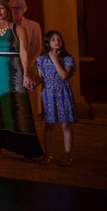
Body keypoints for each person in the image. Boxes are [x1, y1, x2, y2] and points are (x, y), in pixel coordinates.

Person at [0, 0, 43, 160]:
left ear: (7, 11)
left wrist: (26, 73)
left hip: (13, 70)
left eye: (1, 8)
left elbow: (24, 51)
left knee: (18, 106)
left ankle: (26, 148)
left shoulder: (18, 29)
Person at [36, 30, 77, 167]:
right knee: (49, 125)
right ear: (48, 42)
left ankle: (68, 156)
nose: (57, 41)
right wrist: (33, 83)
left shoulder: (67, 59)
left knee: (65, 124)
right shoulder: (41, 59)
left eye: (59, 39)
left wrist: (54, 60)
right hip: (48, 94)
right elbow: (41, 78)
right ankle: (48, 155)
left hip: (62, 93)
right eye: (53, 39)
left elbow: (64, 75)